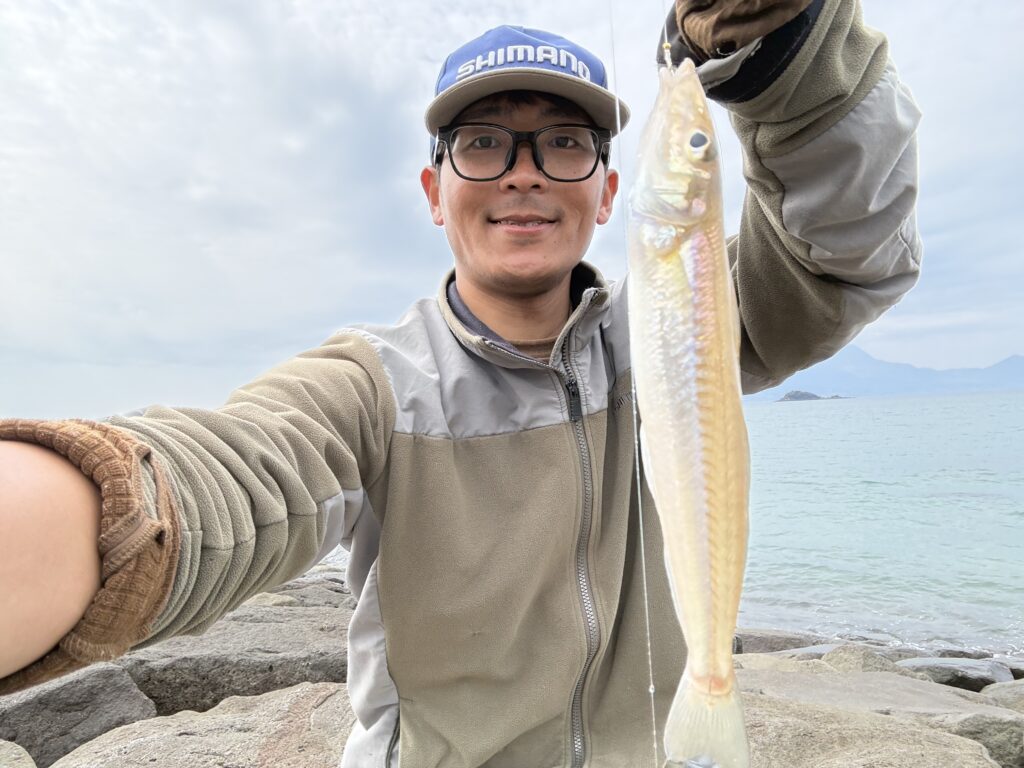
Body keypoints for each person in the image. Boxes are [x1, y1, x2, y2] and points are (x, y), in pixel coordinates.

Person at [0, 1, 922, 765]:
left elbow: (846, 253)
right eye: (483, 144)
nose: (523, 175)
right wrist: (96, 501)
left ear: (608, 192)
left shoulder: (685, 322)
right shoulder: (371, 388)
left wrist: (789, 56)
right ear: (434, 191)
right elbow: (231, 473)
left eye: (565, 143)